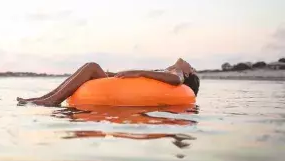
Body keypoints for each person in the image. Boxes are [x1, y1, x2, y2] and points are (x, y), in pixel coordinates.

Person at [17, 58, 200, 106]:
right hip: (121, 89)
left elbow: (176, 80)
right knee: (91, 67)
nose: (190, 65)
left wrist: (136, 72)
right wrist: (114, 74)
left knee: (92, 66)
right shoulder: (170, 70)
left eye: (192, 69)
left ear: (187, 74)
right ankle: (46, 98)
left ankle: (51, 100)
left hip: (123, 95)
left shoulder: (176, 72)